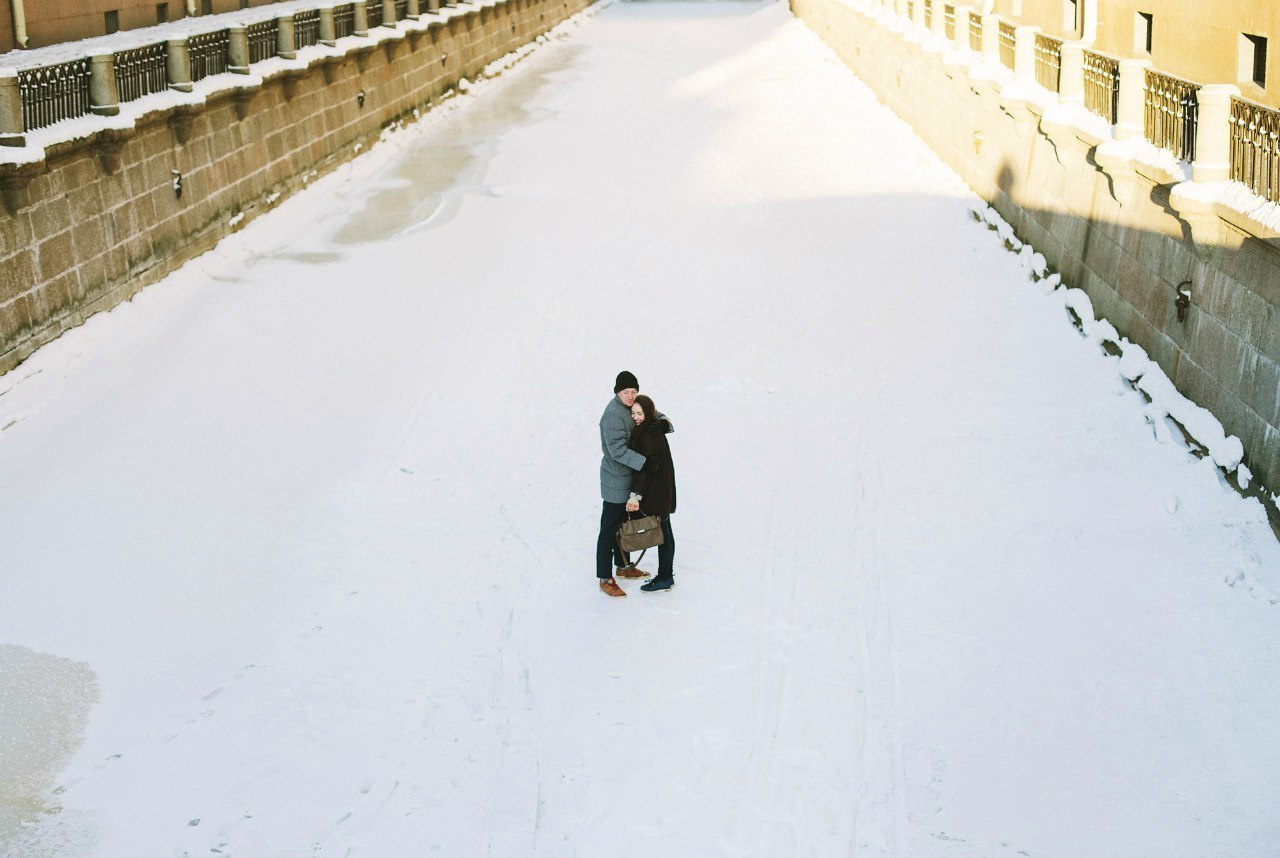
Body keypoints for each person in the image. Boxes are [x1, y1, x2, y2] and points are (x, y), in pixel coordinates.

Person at [597, 371, 648, 598]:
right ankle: (605, 577)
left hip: (629, 480)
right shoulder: (612, 415)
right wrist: (645, 463)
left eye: (634, 391)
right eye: (626, 392)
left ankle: (623, 566)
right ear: (617, 392)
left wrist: (664, 422)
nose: (630, 396)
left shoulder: (631, 406)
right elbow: (617, 451)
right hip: (616, 481)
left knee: (623, 527)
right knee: (609, 530)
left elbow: (649, 413)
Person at [626, 394, 677, 592]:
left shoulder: (647, 435)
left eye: (640, 413)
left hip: (656, 492)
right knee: (667, 532)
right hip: (663, 489)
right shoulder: (653, 428)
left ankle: (665, 577)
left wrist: (635, 495)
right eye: (633, 413)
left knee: (663, 535)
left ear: (648, 413)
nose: (636, 417)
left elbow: (646, 470)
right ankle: (666, 575)